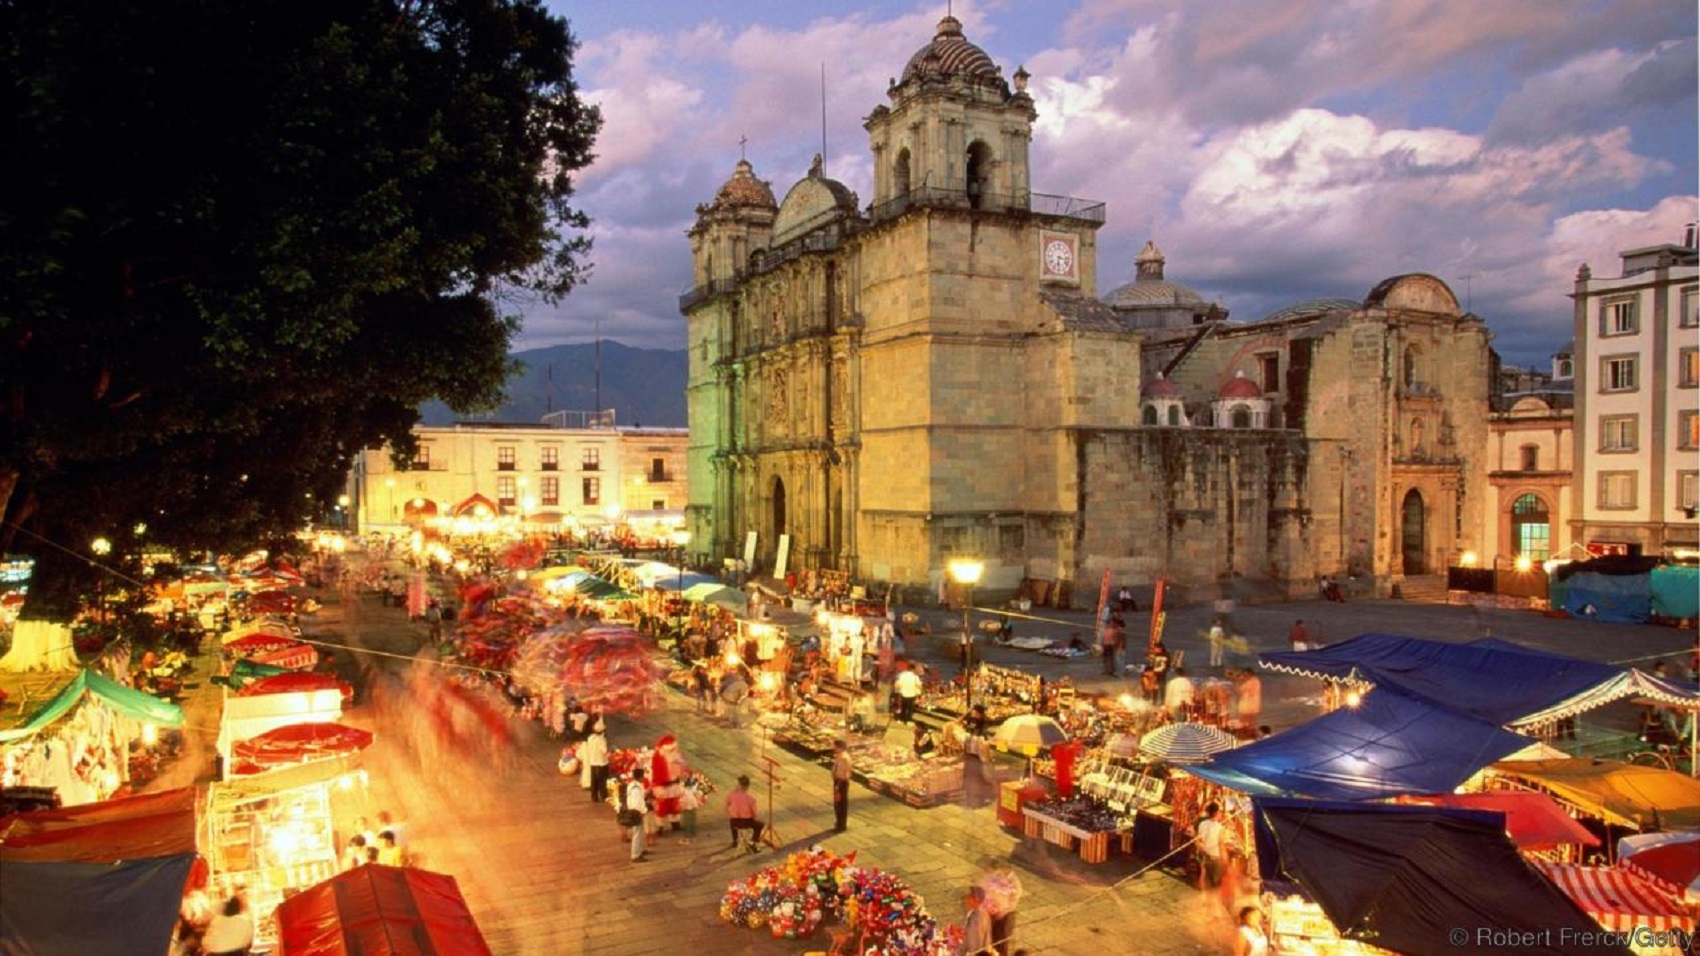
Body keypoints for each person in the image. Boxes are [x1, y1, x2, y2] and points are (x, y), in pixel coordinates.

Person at [650, 735, 686, 830]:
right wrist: (659, 785)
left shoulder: (676, 755)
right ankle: (660, 826)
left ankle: (675, 823)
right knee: (662, 807)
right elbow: (656, 773)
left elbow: (681, 766)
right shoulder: (658, 758)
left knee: (675, 805)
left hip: (674, 784)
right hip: (663, 786)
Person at [726, 774, 763, 853]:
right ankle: (752, 842)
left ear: (739, 785)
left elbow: (727, 805)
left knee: (732, 820)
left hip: (734, 822)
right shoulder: (750, 798)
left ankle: (735, 841)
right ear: (747, 786)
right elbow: (754, 814)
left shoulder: (731, 794)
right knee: (760, 824)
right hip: (745, 822)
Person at [955, 886, 994, 956]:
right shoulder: (976, 913)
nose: (967, 898)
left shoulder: (978, 918)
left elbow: (976, 943)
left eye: (970, 896)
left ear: (976, 899)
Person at [1195, 801, 1226, 889]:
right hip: (1215, 858)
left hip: (1205, 856)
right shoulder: (1220, 828)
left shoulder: (1202, 824)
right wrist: (1225, 859)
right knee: (1216, 883)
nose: (1221, 813)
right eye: (1220, 811)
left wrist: (1203, 850)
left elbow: (1198, 841)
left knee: (1204, 876)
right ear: (1216, 813)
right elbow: (1221, 845)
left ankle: (1204, 897)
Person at [582, 722, 611, 804]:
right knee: (602, 781)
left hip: (593, 762)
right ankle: (603, 796)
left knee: (594, 781)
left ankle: (594, 796)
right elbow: (604, 751)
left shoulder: (590, 738)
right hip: (601, 763)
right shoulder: (601, 740)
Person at [625, 768, 649, 862]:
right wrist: (643, 811)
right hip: (636, 812)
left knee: (640, 832)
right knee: (637, 833)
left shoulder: (632, 785)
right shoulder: (636, 788)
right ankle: (635, 855)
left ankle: (641, 849)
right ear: (641, 776)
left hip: (635, 811)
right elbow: (637, 802)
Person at [832, 739, 852, 832]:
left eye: (835, 747)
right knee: (837, 803)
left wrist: (838, 785)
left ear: (840, 747)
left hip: (841, 782)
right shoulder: (839, 756)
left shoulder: (844, 758)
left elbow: (844, 775)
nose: (834, 748)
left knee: (840, 804)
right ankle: (839, 823)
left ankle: (841, 825)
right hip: (838, 781)